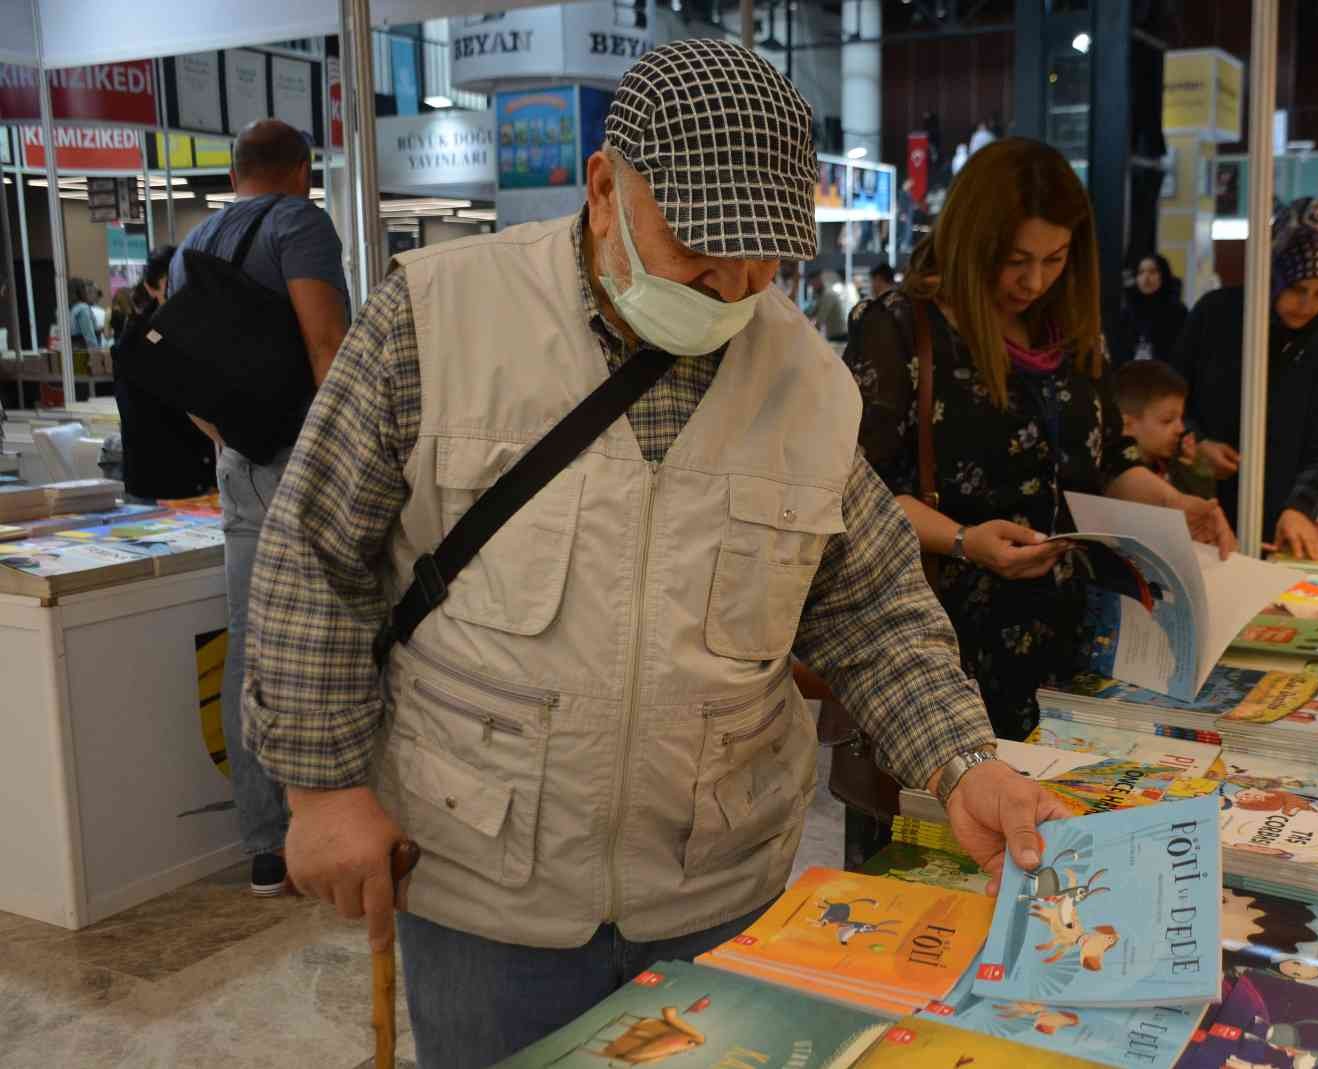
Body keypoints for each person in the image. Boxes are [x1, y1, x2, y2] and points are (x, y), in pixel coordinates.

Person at [242, 40, 1065, 1068]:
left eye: (761, 256)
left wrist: (960, 763)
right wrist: (321, 791)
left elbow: (873, 608)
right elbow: (313, 554)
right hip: (486, 887)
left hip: (715, 888)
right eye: (699, 248)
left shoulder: (808, 385)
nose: (730, 286)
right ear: (602, 188)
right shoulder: (435, 317)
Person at [844, 137, 1236, 746]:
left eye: (1054, 259)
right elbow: (856, 490)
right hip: (946, 658)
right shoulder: (900, 329)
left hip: (1079, 647)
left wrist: (1173, 504)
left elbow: (1106, 461)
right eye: (1015, 259)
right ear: (973, 242)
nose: (1034, 281)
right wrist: (966, 542)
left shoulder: (1072, 330)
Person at [169, 117, 349, 897]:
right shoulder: (300, 223)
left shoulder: (190, 249)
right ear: (302, 172)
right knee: (341, 629)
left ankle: (266, 844)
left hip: (238, 463)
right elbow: (328, 347)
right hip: (306, 461)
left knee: (250, 640)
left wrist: (233, 444)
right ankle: (344, 819)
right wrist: (335, 457)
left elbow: (187, 381)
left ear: (236, 170)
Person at [1170, 197, 1318, 560]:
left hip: (1282, 523)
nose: (1307, 305)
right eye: (1297, 289)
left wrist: (1301, 507)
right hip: (1195, 510)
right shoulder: (1215, 315)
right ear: (1271, 274)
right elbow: (1170, 402)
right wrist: (1194, 443)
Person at [110, 246, 217, 501]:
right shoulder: (137, 343)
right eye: (172, 284)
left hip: (200, 481)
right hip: (161, 485)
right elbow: (181, 404)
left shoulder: (199, 333)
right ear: (152, 288)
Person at [1114, 359, 1214, 500]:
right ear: (1127, 425)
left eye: (1181, 418)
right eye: (1167, 420)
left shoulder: (1173, 464)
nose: (1180, 429)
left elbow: (1203, 503)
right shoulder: (1115, 476)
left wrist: (1191, 466)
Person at [1112, 254, 1187, 365]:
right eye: (1141, 272)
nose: (1146, 277)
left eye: (1152, 272)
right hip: (1131, 376)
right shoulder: (1127, 313)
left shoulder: (1178, 312)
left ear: (1163, 276)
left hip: (1167, 377)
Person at [808, 270, 849, 340]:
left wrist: (809, 335)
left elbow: (820, 319)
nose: (813, 287)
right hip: (834, 334)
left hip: (839, 335)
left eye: (813, 284)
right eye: (811, 284)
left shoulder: (828, 295)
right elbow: (812, 312)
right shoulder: (821, 295)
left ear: (819, 280)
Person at [67, 278, 102, 349]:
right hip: (84, 351)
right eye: (84, 287)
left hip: (72, 350)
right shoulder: (82, 308)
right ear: (80, 290)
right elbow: (89, 336)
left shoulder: (68, 309)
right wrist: (96, 353)